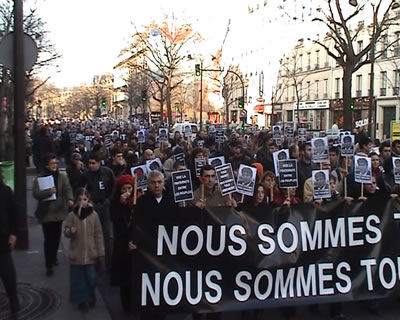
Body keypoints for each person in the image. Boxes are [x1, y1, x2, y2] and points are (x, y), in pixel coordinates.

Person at [33, 152, 74, 276]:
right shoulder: (40, 177)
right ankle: (48, 264)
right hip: (46, 212)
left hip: (59, 211)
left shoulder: (62, 176)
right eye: (52, 163)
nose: (55, 165)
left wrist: (70, 199)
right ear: (46, 165)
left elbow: (67, 188)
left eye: (55, 163)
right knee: (48, 239)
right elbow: (36, 193)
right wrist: (48, 192)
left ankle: (54, 255)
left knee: (56, 237)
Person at [64, 188, 104, 313]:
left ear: (88, 200)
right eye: (80, 200)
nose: (82, 202)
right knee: (78, 280)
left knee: (92, 278)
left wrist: (100, 252)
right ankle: (82, 300)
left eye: (85, 199)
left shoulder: (93, 215)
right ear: (77, 201)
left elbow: (98, 234)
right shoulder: (72, 215)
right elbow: (66, 231)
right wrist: (70, 231)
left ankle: (91, 294)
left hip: (91, 253)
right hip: (77, 254)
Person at [80, 152, 115, 271]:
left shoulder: (107, 173)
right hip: (93, 206)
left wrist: (109, 200)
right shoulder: (86, 175)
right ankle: (96, 263)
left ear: (99, 163)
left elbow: (114, 187)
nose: (90, 165)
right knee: (93, 235)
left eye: (93, 163)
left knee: (108, 236)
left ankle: (109, 263)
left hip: (105, 206)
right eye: (89, 163)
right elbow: (81, 190)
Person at [110, 175, 139, 314]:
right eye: (124, 189)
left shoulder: (137, 200)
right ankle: (126, 307)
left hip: (135, 243)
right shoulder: (115, 203)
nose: (127, 191)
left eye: (129, 188)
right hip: (122, 244)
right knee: (125, 279)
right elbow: (115, 220)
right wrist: (121, 205)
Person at [0, 169, 21, 313]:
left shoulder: (5, 192)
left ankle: (13, 299)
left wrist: (13, 233)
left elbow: (15, 213)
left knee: (8, 273)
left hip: (2, 240)